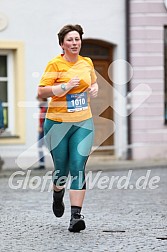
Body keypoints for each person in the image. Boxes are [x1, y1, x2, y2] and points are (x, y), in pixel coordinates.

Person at [38, 24, 98, 232]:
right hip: (57, 123)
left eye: (77, 39)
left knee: (78, 166)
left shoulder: (87, 62)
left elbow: (94, 81)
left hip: (83, 121)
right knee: (61, 171)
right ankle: (57, 195)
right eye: (70, 40)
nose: (74, 43)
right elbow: (41, 92)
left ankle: (76, 216)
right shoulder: (54, 64)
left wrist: (94, 88)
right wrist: (64, 87)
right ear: (62, 44)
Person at [35, 97, 47, 170]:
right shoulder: (42, 108)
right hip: (42, 129)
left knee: (42, 146)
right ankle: (41, 164)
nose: (38, 102)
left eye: (39, 100)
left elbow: (45, 120)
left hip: (44, 130)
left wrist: (41, 127)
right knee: (40, 146)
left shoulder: (46, 108)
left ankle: (60, 163)